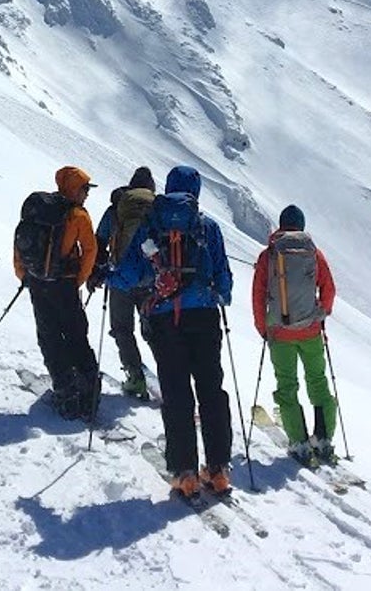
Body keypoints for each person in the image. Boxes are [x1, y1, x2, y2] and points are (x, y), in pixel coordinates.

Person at [108, 165, 234, 496]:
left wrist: (106, 276)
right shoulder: (207, 227)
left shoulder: (152, 224)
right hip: (205, 318)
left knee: (177, 394)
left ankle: (185, 474)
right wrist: (219, 294)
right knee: (211, 389)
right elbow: (224, 280)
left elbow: (129, 272)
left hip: (165, 319)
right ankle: (218, 470)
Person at [252, 204, 338, 464]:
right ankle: (323, 438)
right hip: (311, 331)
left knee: (287, 386)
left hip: (279, 333)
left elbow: (257, 295)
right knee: (318, 381)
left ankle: (299, 442)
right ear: (301, 225)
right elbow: (329, 289)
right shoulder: (314, 253)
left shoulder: (269, 255)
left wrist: (262, 328)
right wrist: (321, 315)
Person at [13, 166, 100, 420]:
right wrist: (78, 280)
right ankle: (88, 393)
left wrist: (26, 275)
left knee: (49, 337)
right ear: (75, 188)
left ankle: (64, 391)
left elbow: (19, 245)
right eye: (85, 189)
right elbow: (90, 251)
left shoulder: (38, 209)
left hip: (39, 284)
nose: (86, 195)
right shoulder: (77, 215)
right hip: (65, 285)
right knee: (75, 336)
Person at [87, 165, 157, 398]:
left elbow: (100, 241)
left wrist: (96, 272)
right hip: (152, 281)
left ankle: (135, 377)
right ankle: (170, 377)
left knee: (122, 329)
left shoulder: (116, 209)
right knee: (156, 331)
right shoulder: (156, 210)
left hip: (119, 279)